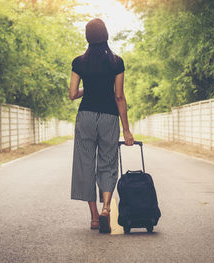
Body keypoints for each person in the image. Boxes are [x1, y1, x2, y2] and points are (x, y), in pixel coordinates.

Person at [69, 18, 134, 233]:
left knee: (85, 164)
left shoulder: (79, 62)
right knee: (108, 161)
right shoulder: (116, 62)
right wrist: (126, 128)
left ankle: (95, 217)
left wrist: (90, 86)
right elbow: (119, 96)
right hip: (108, 117)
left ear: (87, 37)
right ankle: (106, 207)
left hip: (86, 116)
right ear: (106, 35)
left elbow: (72, 94)